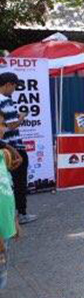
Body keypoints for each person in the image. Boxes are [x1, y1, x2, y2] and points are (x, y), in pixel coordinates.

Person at [0, 72, 36, 225]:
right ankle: (21, 214)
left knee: (7, 182)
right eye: (14, 86)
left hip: (3, 146)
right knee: (20, 181)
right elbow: (12, 125)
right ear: (8, 84)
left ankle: (9, 214)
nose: (14, 90)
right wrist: (22, 116)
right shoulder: (5, 101)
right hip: (13, 146)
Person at [0, 133, 23, 298]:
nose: (1, 129)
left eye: (1, 125)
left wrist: (14, 219)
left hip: (5, 227)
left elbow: (6, 191)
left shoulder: (2, 156)